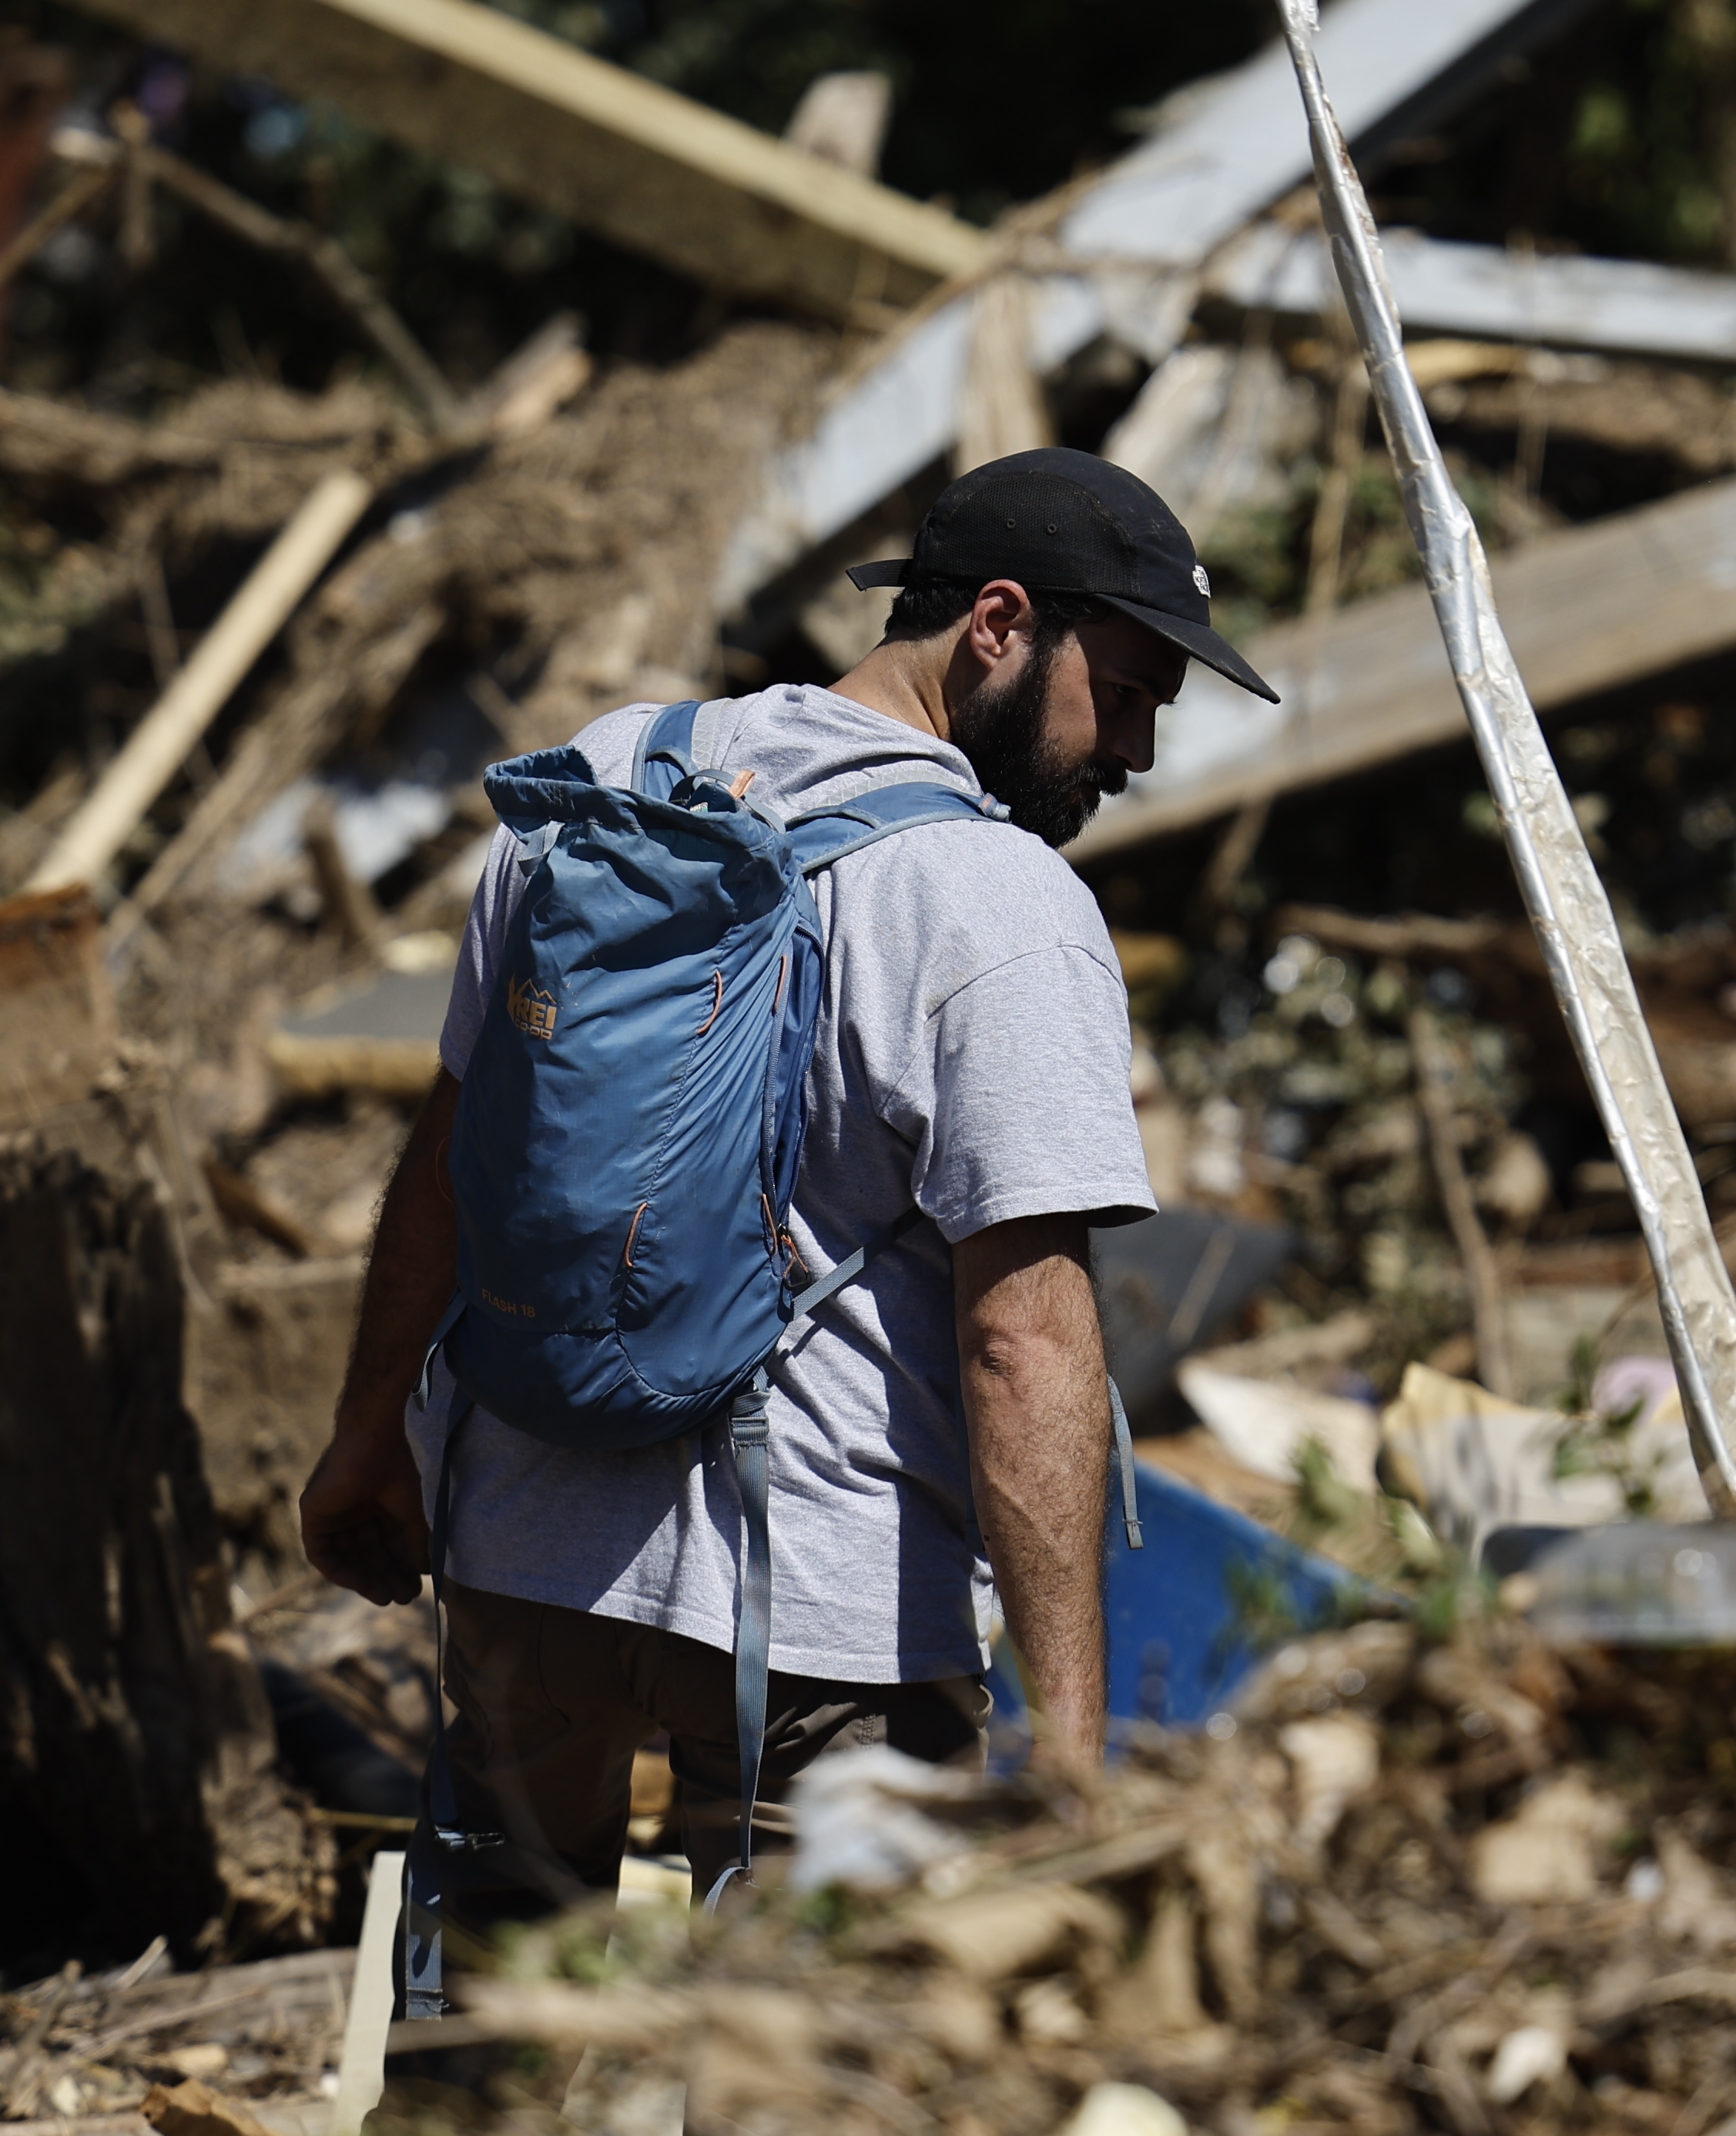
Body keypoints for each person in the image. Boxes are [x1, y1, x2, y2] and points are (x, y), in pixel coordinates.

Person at [294, 445, 1279, 1933]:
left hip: (523, 1549)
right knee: (804, 2109)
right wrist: (1067, 1748)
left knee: (474, 2075)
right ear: (1000, 626)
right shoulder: (1003, 907)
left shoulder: (603, 782)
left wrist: (370, 1432)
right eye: (1128, 693)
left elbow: (453, 1142)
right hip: (829, 1611)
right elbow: (1025, 1340)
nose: (1135, 750)